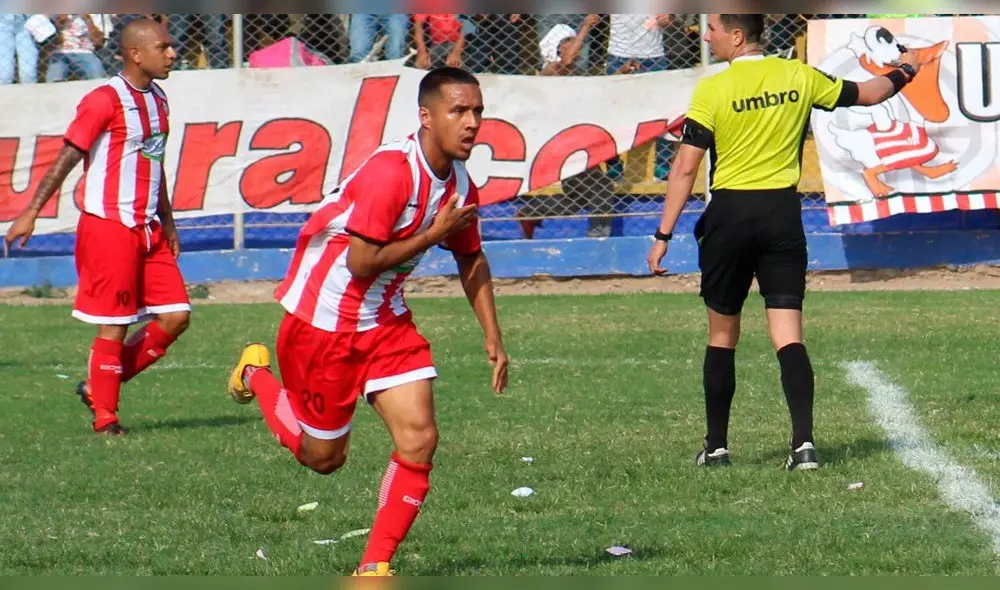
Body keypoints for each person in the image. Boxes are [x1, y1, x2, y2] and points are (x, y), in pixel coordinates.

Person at [227, 66, 510, 577]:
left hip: (385, 319)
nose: (472, 123)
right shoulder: (390, 172)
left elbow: (471, 257)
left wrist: (493, 336)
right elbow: (361, 262)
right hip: (324, 320)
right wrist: (431, 235)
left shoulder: (462, 185)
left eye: (478, 112)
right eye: (459, 111)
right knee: (323, 459)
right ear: (426, 117)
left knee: (420, 437)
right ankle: (255, 375)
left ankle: (373, 567)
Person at [645, 14, 923, 471]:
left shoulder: (713, 89)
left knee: (722, 336)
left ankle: (716, 448)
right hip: (781, 216)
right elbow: (869, 94)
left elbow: (684, 169)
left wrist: (662, 235)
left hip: (730, 216)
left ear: (737, 35)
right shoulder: (798, 75)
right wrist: (908, 69)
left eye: (712, 27)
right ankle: (805, 446)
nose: (706, 34)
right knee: (788, 334)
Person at [5, 18, 188, 436]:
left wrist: (169, 222)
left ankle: (99, 384)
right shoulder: (105, 100)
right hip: (110, 226)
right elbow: (68, 156)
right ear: (135, 53)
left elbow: (154, 165)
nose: (172, 53)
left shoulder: (158, 99)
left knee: (176, 316)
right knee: (115, 321)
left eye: (171, 46)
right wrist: (32, 210)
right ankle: (106, 419)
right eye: (164, 47)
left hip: (149, 228)